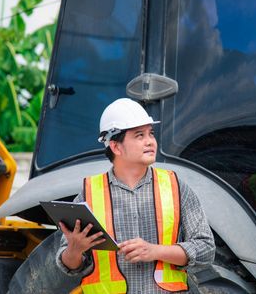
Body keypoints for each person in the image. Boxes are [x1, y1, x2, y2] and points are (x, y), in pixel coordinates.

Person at [55, 98, 215, 293]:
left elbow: (206, 250)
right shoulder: (89, 194)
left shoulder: (175, 187)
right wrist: (75, 249)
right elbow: (69, 267)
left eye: (151, 134)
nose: (150, 141)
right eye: (139, 135)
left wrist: (154, 251)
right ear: (115, 147)